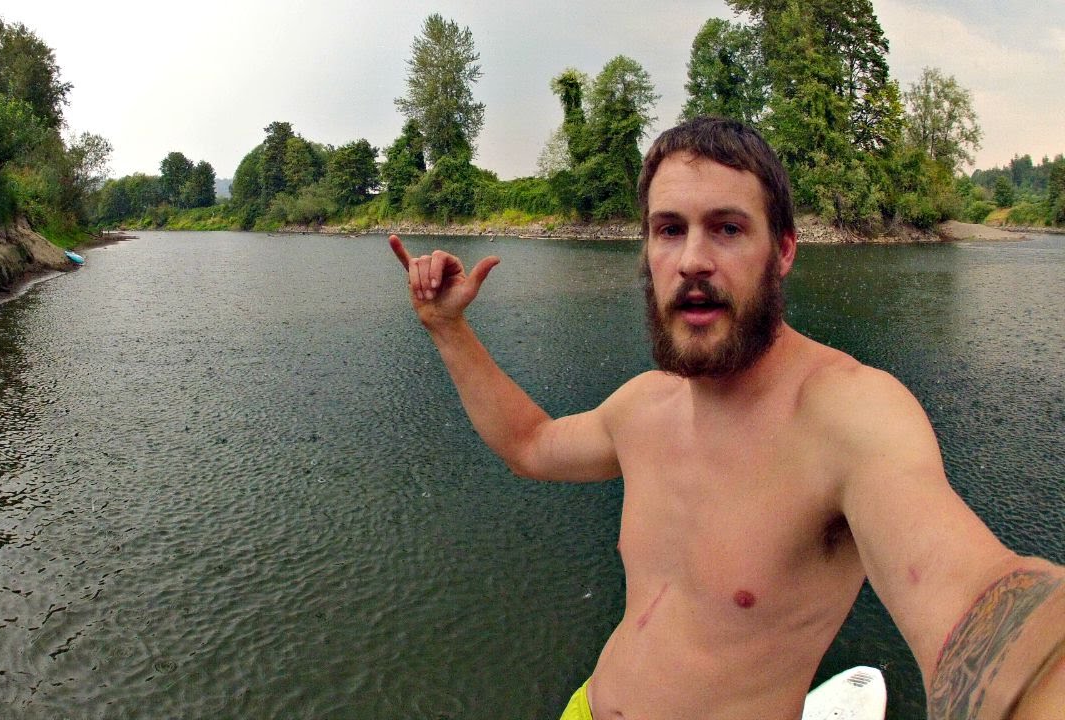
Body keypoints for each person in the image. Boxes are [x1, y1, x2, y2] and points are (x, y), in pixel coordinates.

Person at [388, 116, 1065, 720]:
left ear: (785, 251)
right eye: (668, 230)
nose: (691, 261)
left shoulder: (847, 416)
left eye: (728, 228)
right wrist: (448, 329)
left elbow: (977, 599)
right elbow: (529, 445)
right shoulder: (644, 405)